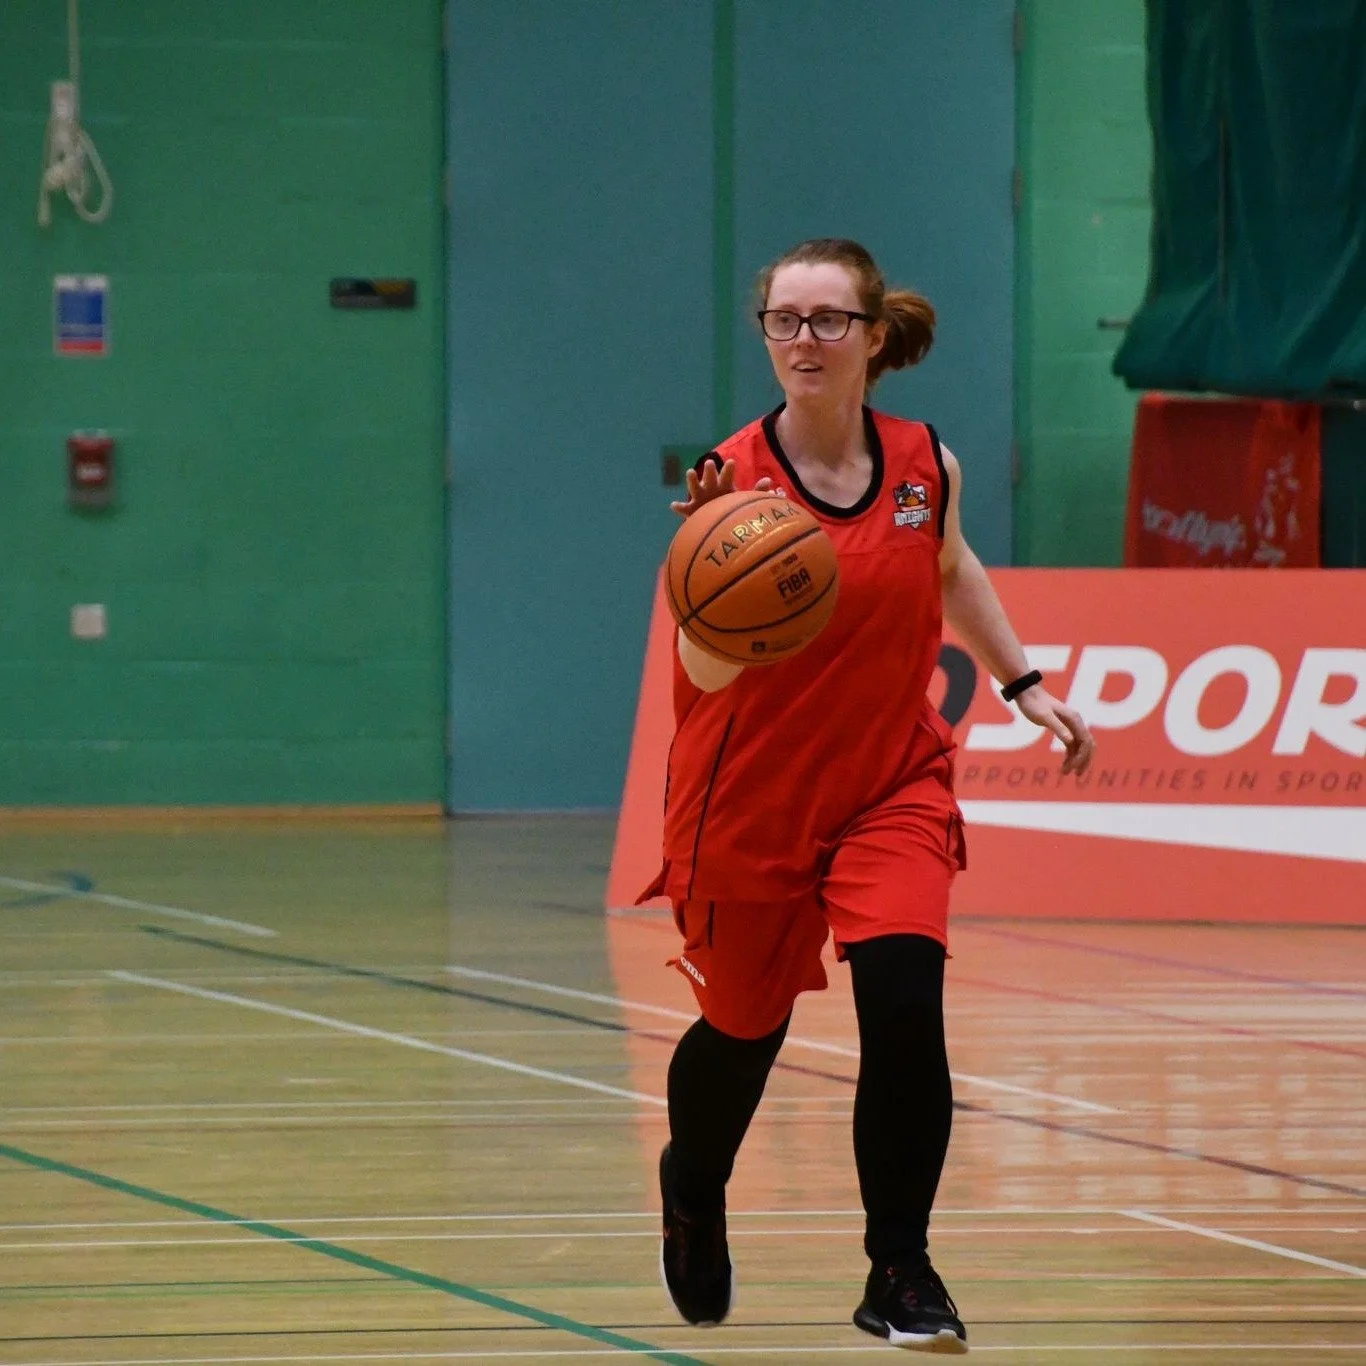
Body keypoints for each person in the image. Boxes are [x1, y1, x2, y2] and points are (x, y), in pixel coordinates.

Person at [642, 238, 1095, 1353]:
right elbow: (698, 676)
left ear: (873, 336)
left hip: (890, 780)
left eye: (825, 320)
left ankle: (900, 1267)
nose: (802, 340)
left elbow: (950, 565)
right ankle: (693, 1183)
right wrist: (725, 594)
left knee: (903, 1001)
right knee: (741, 1030)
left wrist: (1022, 679)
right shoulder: (728, 483)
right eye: (781, 321)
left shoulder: (922, 461)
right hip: (747, 798)